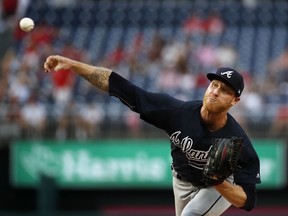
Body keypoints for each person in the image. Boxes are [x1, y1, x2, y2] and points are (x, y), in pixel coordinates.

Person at [44, 55, 261, 216]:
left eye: (224, 90)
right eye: (214, 84)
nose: (215, 91)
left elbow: (248, 201)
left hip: (218, 186)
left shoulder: (235, 142)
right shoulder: (177, 113)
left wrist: (220, 183)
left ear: (235, 101)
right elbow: (122, 87)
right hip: (182, 180)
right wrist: (74, 65)